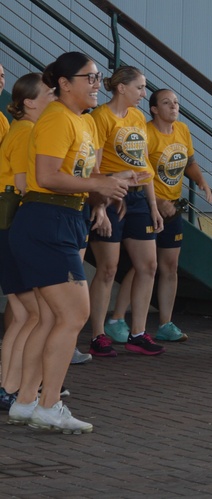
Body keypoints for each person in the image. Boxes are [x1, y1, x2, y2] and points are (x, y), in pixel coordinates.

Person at [7, 51, 141, 433]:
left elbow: (83, 172)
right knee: (73, 315)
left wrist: (111, 183)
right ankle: (47, 405)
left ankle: (27, 401)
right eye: (91, 78)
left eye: (99, 78)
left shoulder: (82, 122)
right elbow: (46, 176)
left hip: (63, 218)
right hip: (46, 219)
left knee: (51, 317)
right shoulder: (55, 119)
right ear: (64, 84)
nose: (98, 84)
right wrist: (97, 185)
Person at [108, 89, 212, 342]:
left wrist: (202, 182)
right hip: (147, 205)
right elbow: (140, 171)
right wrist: (159, 201)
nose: (174, 106)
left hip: (173, 209)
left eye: (176, 102)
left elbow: (189, 162)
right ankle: (117, 319)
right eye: (167, 103)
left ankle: (166, 323)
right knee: (142, 266)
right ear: (154, 109)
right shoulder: (145, 132)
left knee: (169, 266)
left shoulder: (183, 130)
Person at [86, 66, 164, 358]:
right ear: (121, 88)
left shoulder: (135, 118)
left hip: (138, 199)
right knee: (108, 269)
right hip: (109, 196)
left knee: (149, 266)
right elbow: (92, 168)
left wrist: (153, 206)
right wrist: (99, 204)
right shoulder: (100, 117)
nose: (144, 94)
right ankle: (97, 336)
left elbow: (144, 164)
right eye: (140, 88)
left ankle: (138, 333)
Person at [0, 73, 55, 409]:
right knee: (33, 314)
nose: (54, 97)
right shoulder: (27, 132)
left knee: (23, 315)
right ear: (29, 102)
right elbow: (23, 184)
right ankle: (13, 386)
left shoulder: (22, 129)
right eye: (49, 93)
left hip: (8, 226)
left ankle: (10, 385)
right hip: (12, 225)